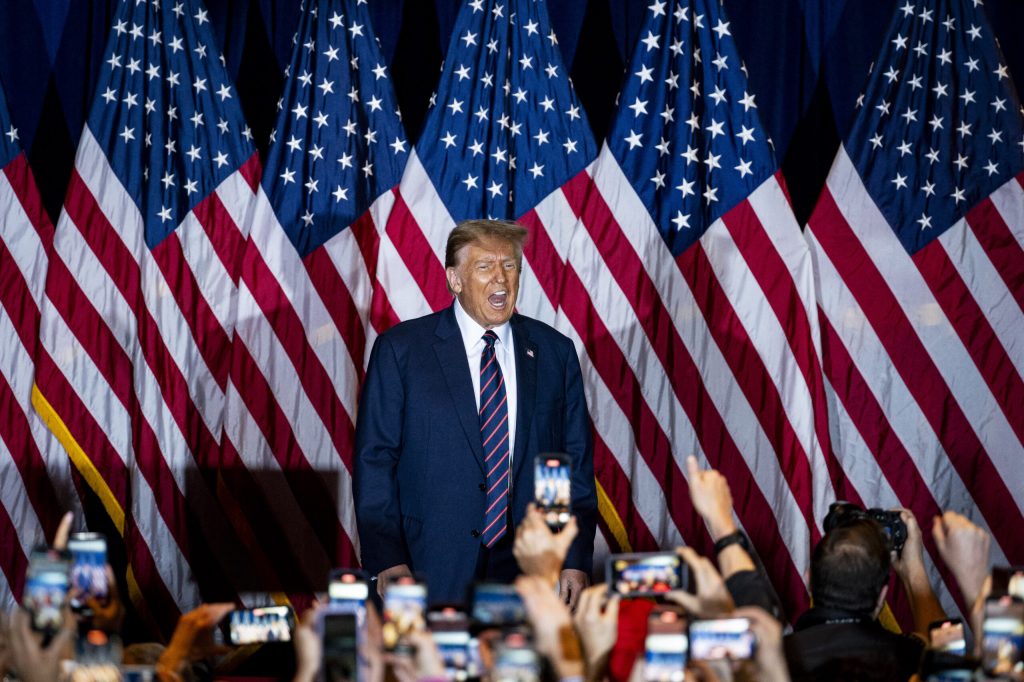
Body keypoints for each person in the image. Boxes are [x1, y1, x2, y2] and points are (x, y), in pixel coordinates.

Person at [354, 218, 597, 607]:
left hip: (529, 570)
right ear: (455, 279)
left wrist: (572, 556)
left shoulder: (555, 352)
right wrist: (387, 557)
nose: (500, 279)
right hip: (427, 563)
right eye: (485, 267)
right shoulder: (401, 350)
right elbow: (376, 460)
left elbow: (570, 466)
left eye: (510, 266)